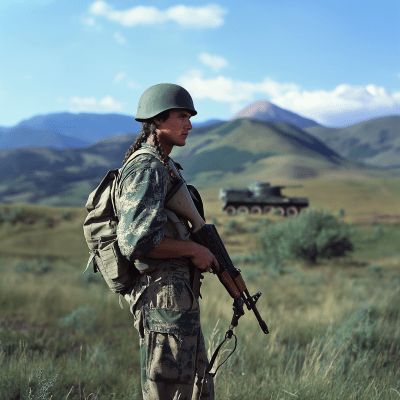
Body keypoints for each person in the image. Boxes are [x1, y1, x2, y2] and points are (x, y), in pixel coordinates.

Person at [118, 83, 217, 400]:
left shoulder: (164, 166)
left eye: (189, 116)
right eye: (181, 116)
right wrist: (193, 249)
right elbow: (137, 241)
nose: (189, 124)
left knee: (193, 384)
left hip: (176, 297)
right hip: (163, 298)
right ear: (158, 120)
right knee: (169, 391)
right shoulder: (148, 167)